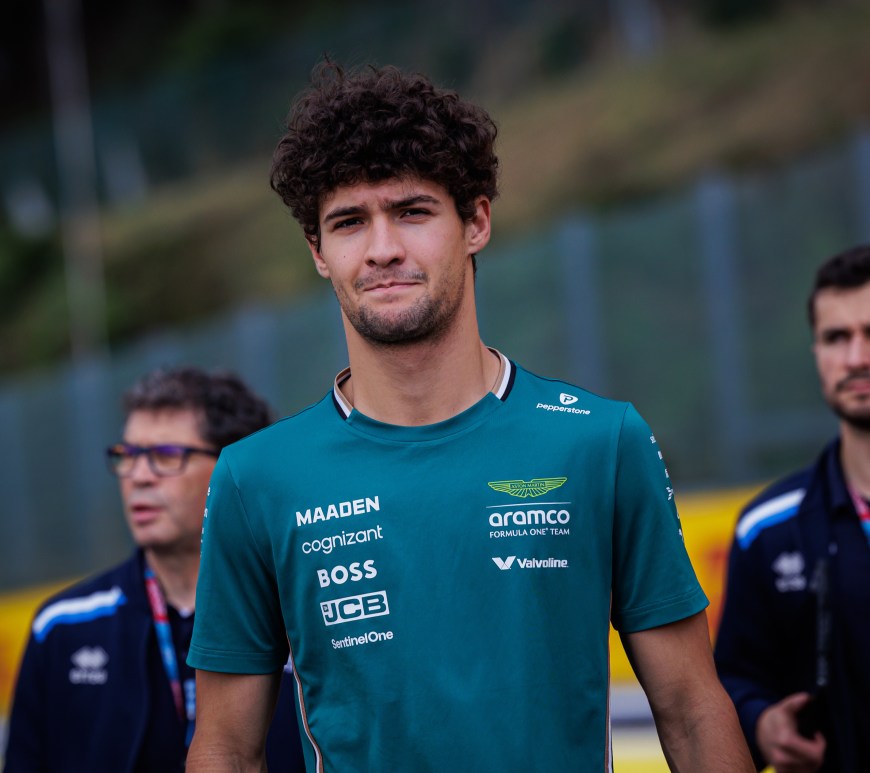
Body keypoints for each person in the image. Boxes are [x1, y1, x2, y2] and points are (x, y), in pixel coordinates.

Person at [186, 62, 754, 772]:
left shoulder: (600, 440)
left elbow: (693, 711)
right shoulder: (255, 477)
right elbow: (226, 750)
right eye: (349, 222)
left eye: (413, 211)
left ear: (476, 222)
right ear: (318, 251)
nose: (383, 248)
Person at [3, 367, 305, 773]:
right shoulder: (62, 628)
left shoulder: (304, 620)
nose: (139, 477)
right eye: (127, 456)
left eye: (165, 455)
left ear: (235, 470)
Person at [715, 245, 870, 772]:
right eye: (837, 337)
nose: (856, 357)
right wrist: (762, 724)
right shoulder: (769, 530)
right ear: (817, 352)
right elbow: (733, 682)